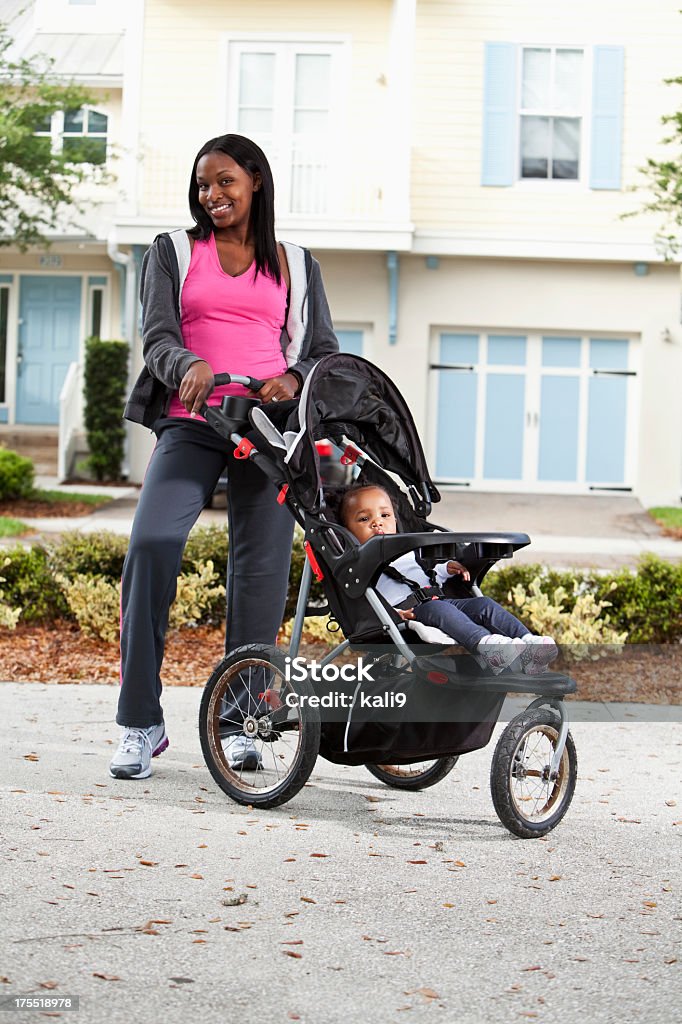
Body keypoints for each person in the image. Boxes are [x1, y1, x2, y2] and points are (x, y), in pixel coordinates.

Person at [110, 134, 338, 780]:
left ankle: (244, 721)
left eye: (226, 182)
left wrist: (292, 381)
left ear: (256, 181)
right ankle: (139, 721)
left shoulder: (295, 262)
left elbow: (319, 348)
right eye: (204, 185)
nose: (213, 195)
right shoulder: (174, 252)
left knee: (260, 571)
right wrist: (188, 364)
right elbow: (156, 335)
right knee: (152, 545)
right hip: (194, 420)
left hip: (268, 427)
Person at [339, 484, 558, 675]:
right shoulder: (358, 563)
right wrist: (391, 615)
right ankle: (487, 646)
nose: (377, 523)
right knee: (439, 609)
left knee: (483, 605)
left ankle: (530, 644)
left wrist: (446, 569)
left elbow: (426, 573)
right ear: (347, 530)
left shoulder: (408, 549)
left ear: (396, 519)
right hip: (412, 611)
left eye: (384, 516)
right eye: (364, 519)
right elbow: (362, 599)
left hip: (439, 598)